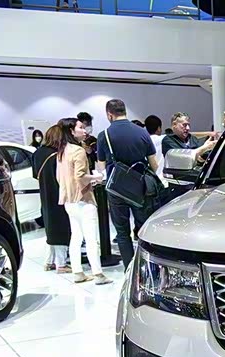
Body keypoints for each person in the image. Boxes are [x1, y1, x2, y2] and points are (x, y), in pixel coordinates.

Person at [96, 98, 158, 270]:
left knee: (122, 232)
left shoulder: (104, 135)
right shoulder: (142, 132)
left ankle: (129, 269)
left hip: (117, 189)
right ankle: (148, 269)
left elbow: (101, 166)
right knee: (144, 229)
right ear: (125, 111)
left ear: (109, 114)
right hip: (140, 188)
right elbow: (153, 164)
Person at [56, 117, 111, 285]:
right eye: (80, 127)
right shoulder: (78, 151)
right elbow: (80, 177)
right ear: (71, 131)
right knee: (91, 238)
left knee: (76, 236)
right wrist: (96, 177)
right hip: (83, 199)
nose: (84, 130)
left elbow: (60, 177)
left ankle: (78, 272)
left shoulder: (62, 151)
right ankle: (98, 274)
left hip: (68, 199)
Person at [32, 125, 71, 273]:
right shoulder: (58, 155)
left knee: (50, 228)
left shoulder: (38, 153)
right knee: (61, 228)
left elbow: (35, 174)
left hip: (45, 193)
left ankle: (49, 261)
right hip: (59, 193)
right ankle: (61, 264)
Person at [144, 114, 166, 180]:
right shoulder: (164, 139)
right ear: (159, 128)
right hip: (164, 176)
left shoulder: (145, 141)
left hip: (151, 178)